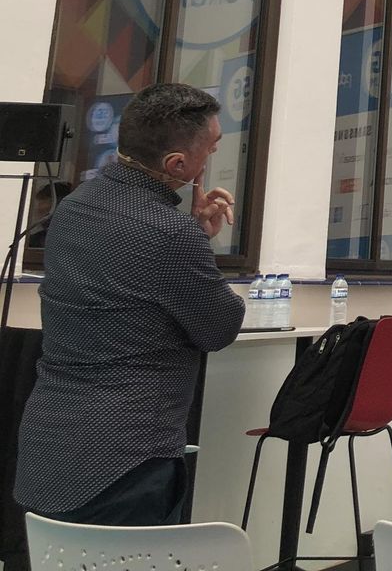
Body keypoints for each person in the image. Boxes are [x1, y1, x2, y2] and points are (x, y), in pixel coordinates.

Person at [14, 84, 242, 525]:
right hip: (126, 461)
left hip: (47, 446)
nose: (208, 161)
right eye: (209, 150)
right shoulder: (168, 233)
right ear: (177, 163)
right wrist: (196, 240)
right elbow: (219, 328)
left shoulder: (72, 208)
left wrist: (191, 236)